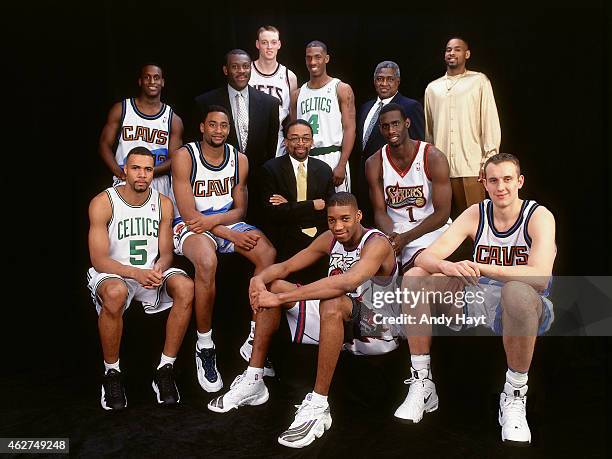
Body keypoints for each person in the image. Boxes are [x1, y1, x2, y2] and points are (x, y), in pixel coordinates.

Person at [207, 192, 400, 450]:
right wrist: (259, 280)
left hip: (378, 328)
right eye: (332, 220)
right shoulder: (331, 238)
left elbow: (347, 282)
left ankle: (319, 406)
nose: (338, 226)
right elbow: (286, 267)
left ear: (358, 216)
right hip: (344, 320)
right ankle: (254, 379)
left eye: (345, 219)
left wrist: (284, 297)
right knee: (274, 286)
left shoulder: (377, 243)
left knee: (330, 300)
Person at [398, 153, 556, 446]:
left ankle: (515, 395)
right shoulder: (476, 213)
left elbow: (540, 277)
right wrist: (446, 266)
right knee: (415, 276)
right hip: (479, 300)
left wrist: (482, 268)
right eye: (493, 180)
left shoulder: (539, 216)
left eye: (508, 179)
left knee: (517, 291)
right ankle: (422, 380)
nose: (501, 187)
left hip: (527, 306)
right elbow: (425, 256)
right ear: (484, 183)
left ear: (519, 181)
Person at [170, 105, 277, 393]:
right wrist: (226, 232)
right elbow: (188, 212)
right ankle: (205, 344)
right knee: (206, 260)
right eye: (213, 125)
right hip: (188, 226)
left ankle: (255, 336)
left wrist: (222, 227)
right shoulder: (184, 156)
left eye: (224, 126)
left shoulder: (239, 159)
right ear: (202, 127)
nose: (219, 130)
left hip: (222, 222)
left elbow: (240, 209)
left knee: (266, 252)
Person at [87, 147, 194, 411]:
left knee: (186, 287)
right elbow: (98, 259)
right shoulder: (103, 201)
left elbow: (167, 254)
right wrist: (136, 273)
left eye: (148, 169)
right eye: (136, 168)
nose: (142, 175)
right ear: (124, 170)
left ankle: (165, 370)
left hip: (149, 272)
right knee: (115, 293)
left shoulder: (163, 203)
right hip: (115, 273)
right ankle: (112, 373)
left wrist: (157, 268)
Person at [366, 103, 452, 273]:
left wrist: (405, 239)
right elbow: (379, 212)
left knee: (419, 266)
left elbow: (442, 214)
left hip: (430, 227)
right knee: (373, 263)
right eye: (385, 126)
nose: (391, 130)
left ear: (407, 123)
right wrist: (393, 238)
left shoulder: (433, 157)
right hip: (395, 230)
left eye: (395, 124)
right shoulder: (374, 163)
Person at [424, 37, 501, 217]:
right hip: (442, 170)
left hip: (472, 167)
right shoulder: (432, 88)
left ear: (467, 54)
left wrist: (489, 160)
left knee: (476, 221)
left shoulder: (479, 81)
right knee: (444, 224)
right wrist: (430, 166)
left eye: (457, 49)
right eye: (448, 49)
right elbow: (429, 132)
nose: (452, 53)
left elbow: (489, 122)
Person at [259, 119, 335, 284]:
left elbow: (329, 211)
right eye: (294, 138)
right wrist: (311, 205)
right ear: (286, 142)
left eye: (306, 138)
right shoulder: (271, 169)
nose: (300, 143)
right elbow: (273, 214)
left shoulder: (324, 170)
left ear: (312, 142)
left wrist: (290, 206)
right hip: (286, 240)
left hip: (319, 239)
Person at [99, 63, 184, 196]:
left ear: (162, 82)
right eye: (147, 77)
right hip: (125, 179)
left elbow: (176, 158)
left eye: (156, 78)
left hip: (158, 182)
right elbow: (104, 144)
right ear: (140, 81)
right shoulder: (122, 109)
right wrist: (119, 172)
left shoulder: (173, 120)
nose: (152, 82)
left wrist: (148, 172)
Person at [356, 61, 425, 225]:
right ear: (374, 81)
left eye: (389, 79)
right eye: (380, 79)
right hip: (365, 178)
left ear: (398, 81)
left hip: (394, 181)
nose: (384, 83)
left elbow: (417, 145)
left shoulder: (410, 106)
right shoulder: (366, 107)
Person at [293, 41, 356, 193]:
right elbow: (292, 133)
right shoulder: (297, 94)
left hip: (333, 156)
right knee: (310, 209)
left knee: (341, 208)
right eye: (309, 58)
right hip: (306, 158)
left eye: (317, 57)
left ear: (326, 58)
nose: (313, 62)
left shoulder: (340, 88)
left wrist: (341, 164)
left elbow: (350, 129)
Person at [249, 25, 299, 157]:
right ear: (257, 44)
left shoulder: (290, 77)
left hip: (279, 143)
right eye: (264, 42)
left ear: (279, 44)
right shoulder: (247, 72)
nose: (269, 47)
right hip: (250, 137)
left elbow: (292, 115)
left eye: (273, 42)